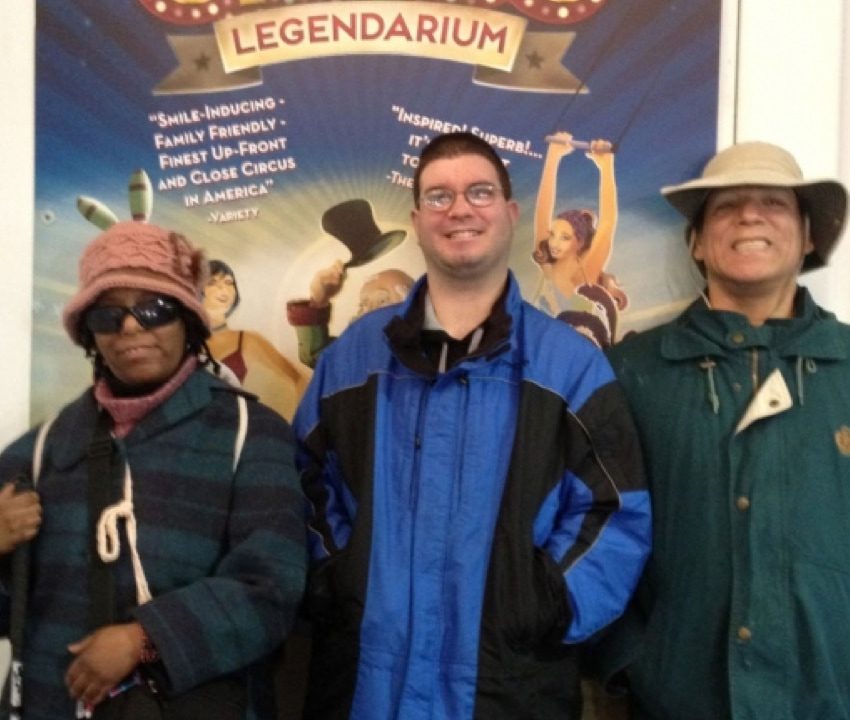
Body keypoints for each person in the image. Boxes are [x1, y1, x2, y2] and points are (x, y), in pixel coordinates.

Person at [293, 131, 651, 719]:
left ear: (511, 214)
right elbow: (301, 487)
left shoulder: (571, 365)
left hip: (510, 688)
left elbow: (616, 511)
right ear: (417, 217)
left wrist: (542, 602)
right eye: (439, 196)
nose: (460, 209)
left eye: (479, 192)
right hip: (362, 686)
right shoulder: (354, 357)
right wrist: (341, 579)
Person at [0, 221, 307, 719]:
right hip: (51, 703)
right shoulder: (38, 453)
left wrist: (144, 641)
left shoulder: (251, 435)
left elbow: (272, 590)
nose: (131, 328)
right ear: (89, 335)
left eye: (155, 309)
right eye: (107, 315)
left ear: (189, 319)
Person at [604, 141, 850, 719]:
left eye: (774, 202)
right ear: (695, 240)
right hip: (676, 704)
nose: (750, 215)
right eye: (726, 206)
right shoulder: (633, 372)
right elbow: (589, 530)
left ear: (810, 237)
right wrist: (634, 663)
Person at [532, 131, 628, 347]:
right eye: (553, 234)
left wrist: (606, 167)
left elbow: (607, 222)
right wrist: (553, 157)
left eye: (565, 238)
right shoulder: (548, 266)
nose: (554, 243)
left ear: (580, 243)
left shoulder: (586, 271)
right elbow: (542, 212)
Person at [203, 259, 309, 421]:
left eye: (229, 282)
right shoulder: (183, 339)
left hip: (232, 428)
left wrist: (295, 426)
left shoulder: (246, 339)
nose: (223, 288)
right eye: (213, 282)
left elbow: (299, 378)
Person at [286, 262, 414, 367]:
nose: (366, 312)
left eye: (381, 301)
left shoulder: (430, 360)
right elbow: (316, 356)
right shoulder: (356, 357)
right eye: (362, 306)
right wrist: (319, 300)